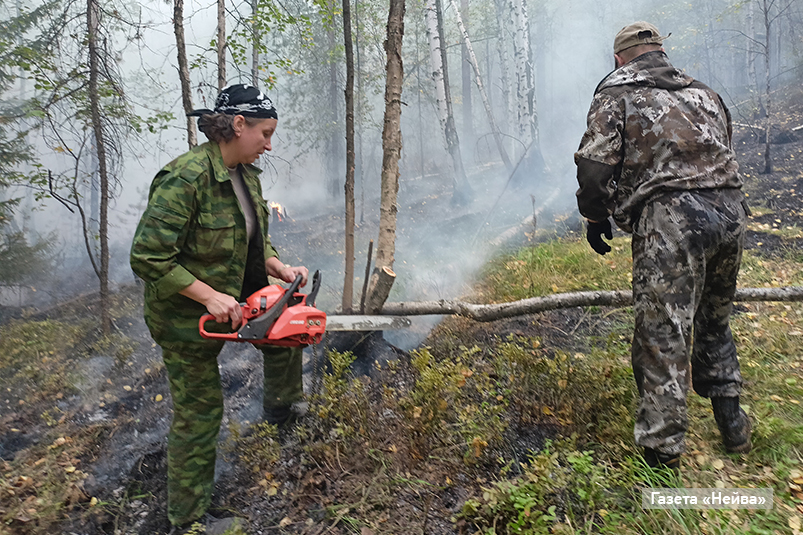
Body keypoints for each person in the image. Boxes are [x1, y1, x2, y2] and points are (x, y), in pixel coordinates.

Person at [130, 84, 309, 533]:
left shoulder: (248, 175)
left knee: (287, 336)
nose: (270, 144)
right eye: (265, 133)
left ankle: (283, 418)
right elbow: (148, 257)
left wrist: (275, 265)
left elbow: (253, 235)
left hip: (235, 295)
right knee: (201, 411)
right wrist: (208, 296)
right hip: (184, 317)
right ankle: (187, 519)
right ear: (237, 125)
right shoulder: (185, 178)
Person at [574, 22, 752, 469]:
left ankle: (662, 455)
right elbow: (725, 148)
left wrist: (595, 217)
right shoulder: (704, 93)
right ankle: (733, 423)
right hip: (730, 211)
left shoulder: (615, 95)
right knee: (715, 318)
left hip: (674, 221)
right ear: (658, 51)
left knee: (662, 334)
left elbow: (595, 168)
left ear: (619, 59)